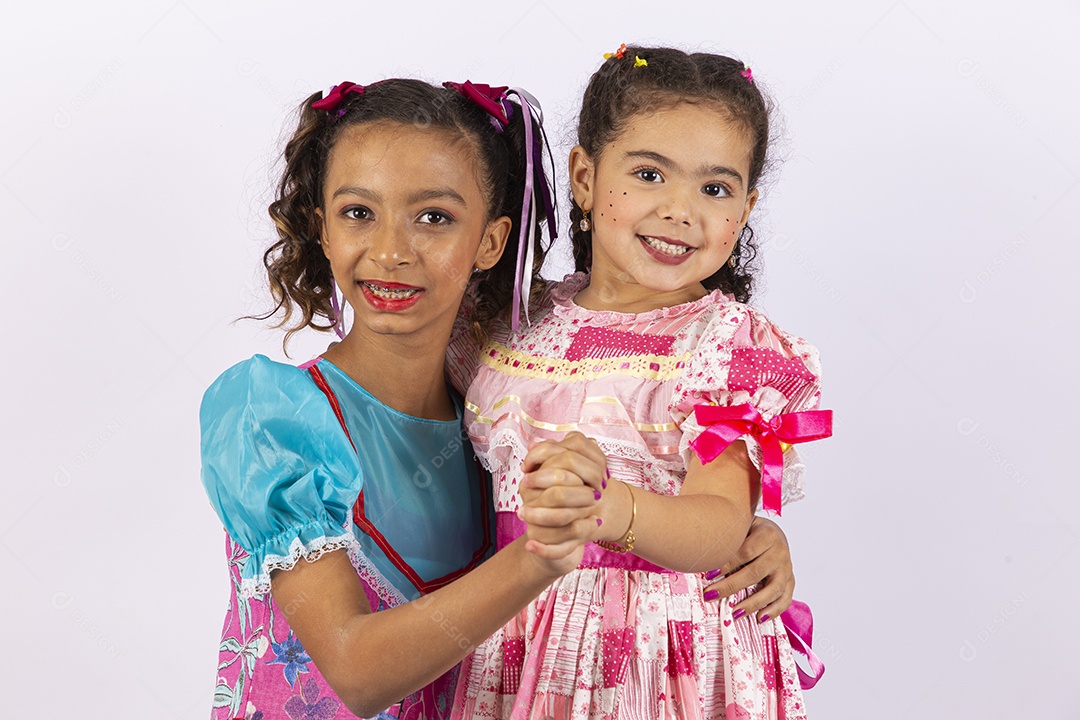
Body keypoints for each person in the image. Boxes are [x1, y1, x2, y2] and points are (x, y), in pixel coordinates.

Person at [201, 78, 606, 720]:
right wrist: (535, 558)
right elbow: (357, 673)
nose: (391, 252)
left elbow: (632, 522)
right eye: (358, 212)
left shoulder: (500, 425)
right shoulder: (273, 417)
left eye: (435, 218)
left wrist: (745, 539)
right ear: (323, 230)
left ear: (490, 242)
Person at [453, 47, 832, 720]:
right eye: (649, 174)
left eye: (714, 189)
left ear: (743, 211)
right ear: (584, 177)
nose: (680, 210)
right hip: (513, 634)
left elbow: (718, 524)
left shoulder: (726, 350)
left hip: (661, 660)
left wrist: (603, 509)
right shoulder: (503, 326)